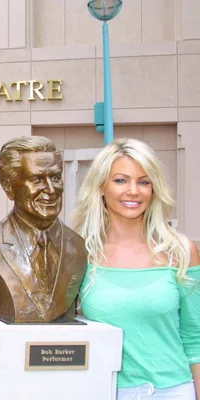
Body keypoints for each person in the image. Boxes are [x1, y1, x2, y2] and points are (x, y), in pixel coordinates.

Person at [74, 138, 200, 400]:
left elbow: (195, 337)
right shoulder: (79, 252)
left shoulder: (181, 251)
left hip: (173, 391)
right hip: (104, 390)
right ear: (100, 187)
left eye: (144, 181)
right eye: (121, 180)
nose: (133, 190)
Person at [0, 136, 87, 323]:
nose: (51, 189)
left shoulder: (77, 246)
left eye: (56, 177)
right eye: (37, 179)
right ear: (9, 187)